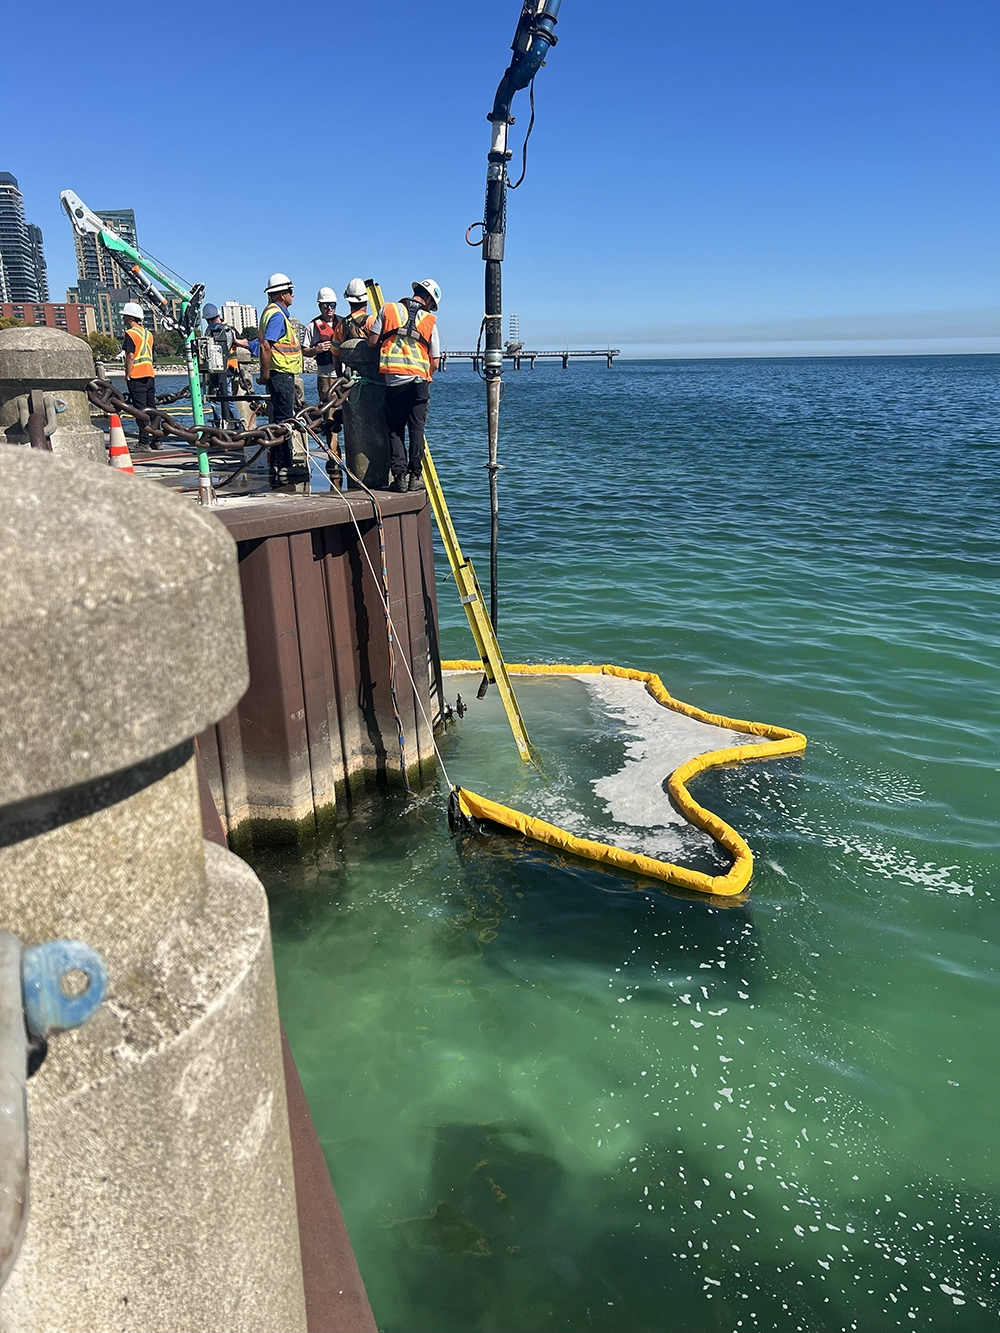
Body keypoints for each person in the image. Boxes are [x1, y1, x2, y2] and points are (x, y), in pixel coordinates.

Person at [367, 278, 441, 492]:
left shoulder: (388, 309)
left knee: (395, 429)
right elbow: (435, 360)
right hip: (420, 382)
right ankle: (415, 476)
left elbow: (372, 341)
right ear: (427, 298)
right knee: (417, 429)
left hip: (395, 381)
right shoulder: (429, 321)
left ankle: (399, 478)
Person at [257, 273, 303, 475]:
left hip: (279, 374)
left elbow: (262, 344)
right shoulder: (277, 315)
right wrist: (265, 374)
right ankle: (285, 464)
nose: (293, 295)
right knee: (285, 421)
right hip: (281, 374)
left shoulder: (269, 312)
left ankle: (278, 462)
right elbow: (266, 345)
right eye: (290, 291)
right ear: (282, 294)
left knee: (276, 420)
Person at [121, 301, 157, 449]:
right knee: (152, 409)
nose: (123, 319)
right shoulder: (148, 334)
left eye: (124, 317)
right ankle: (157, 440)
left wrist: (128, 373)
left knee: (140, 411)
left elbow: (130, 356)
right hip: (149, 373)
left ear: (130, 318)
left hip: (137, 375)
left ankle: (144, 443)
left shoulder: (130, 333)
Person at [202, 303, 239, 425]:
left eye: (210, 320)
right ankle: (228, 424)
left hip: (227, 367)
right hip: (216, 368)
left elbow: (234, 344)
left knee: (223, 398)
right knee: (219, 397)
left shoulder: (228, 329)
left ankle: (231, 424)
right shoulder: (213, 329)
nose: (209, 322)